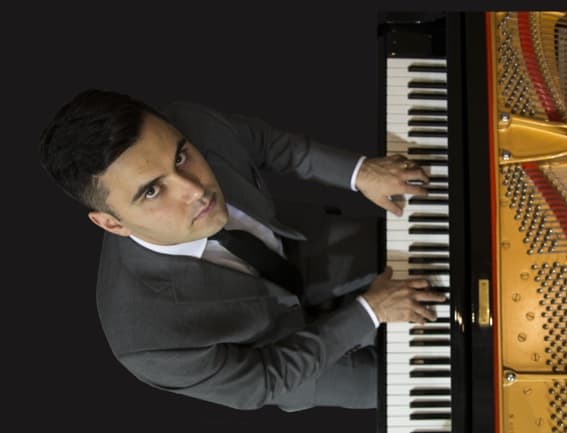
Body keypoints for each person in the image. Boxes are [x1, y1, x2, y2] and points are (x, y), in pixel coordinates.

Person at [38, 89, 446, 412]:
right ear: (112, 223)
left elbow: (268, 144)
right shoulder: (144, 338)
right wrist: (370, 312)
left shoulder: (190, 123)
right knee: (442, 388)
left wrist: (360, 173)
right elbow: (265, 380)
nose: (196, 190)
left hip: (312, 252)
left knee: (452, 261)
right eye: (152, 191)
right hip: (291, 358)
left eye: (181, 157)